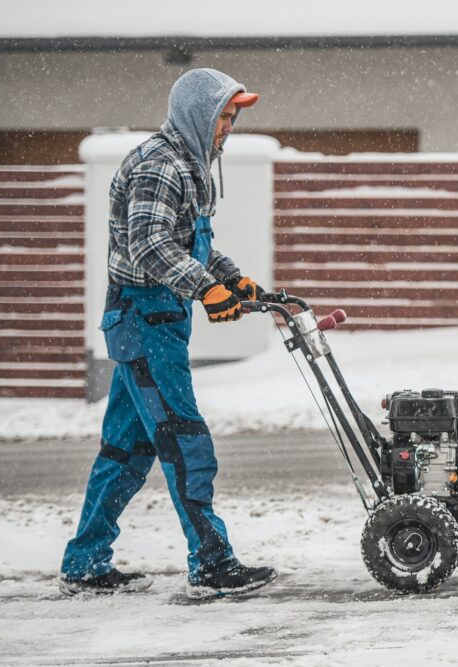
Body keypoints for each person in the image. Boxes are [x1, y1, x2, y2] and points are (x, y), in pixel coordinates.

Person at [59, 68, 276, 599]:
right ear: (198, 115)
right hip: (145, 320)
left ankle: (85, 561)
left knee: (125, 450)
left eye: (232, 117)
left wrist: (229, 278)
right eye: (223, 116)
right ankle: (212, 562)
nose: (228, 127)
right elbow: (150, 246)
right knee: (185, 440)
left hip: (154, 321)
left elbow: (190, 242)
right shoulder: (161, 165)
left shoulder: (189, 164)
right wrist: (207, 290)